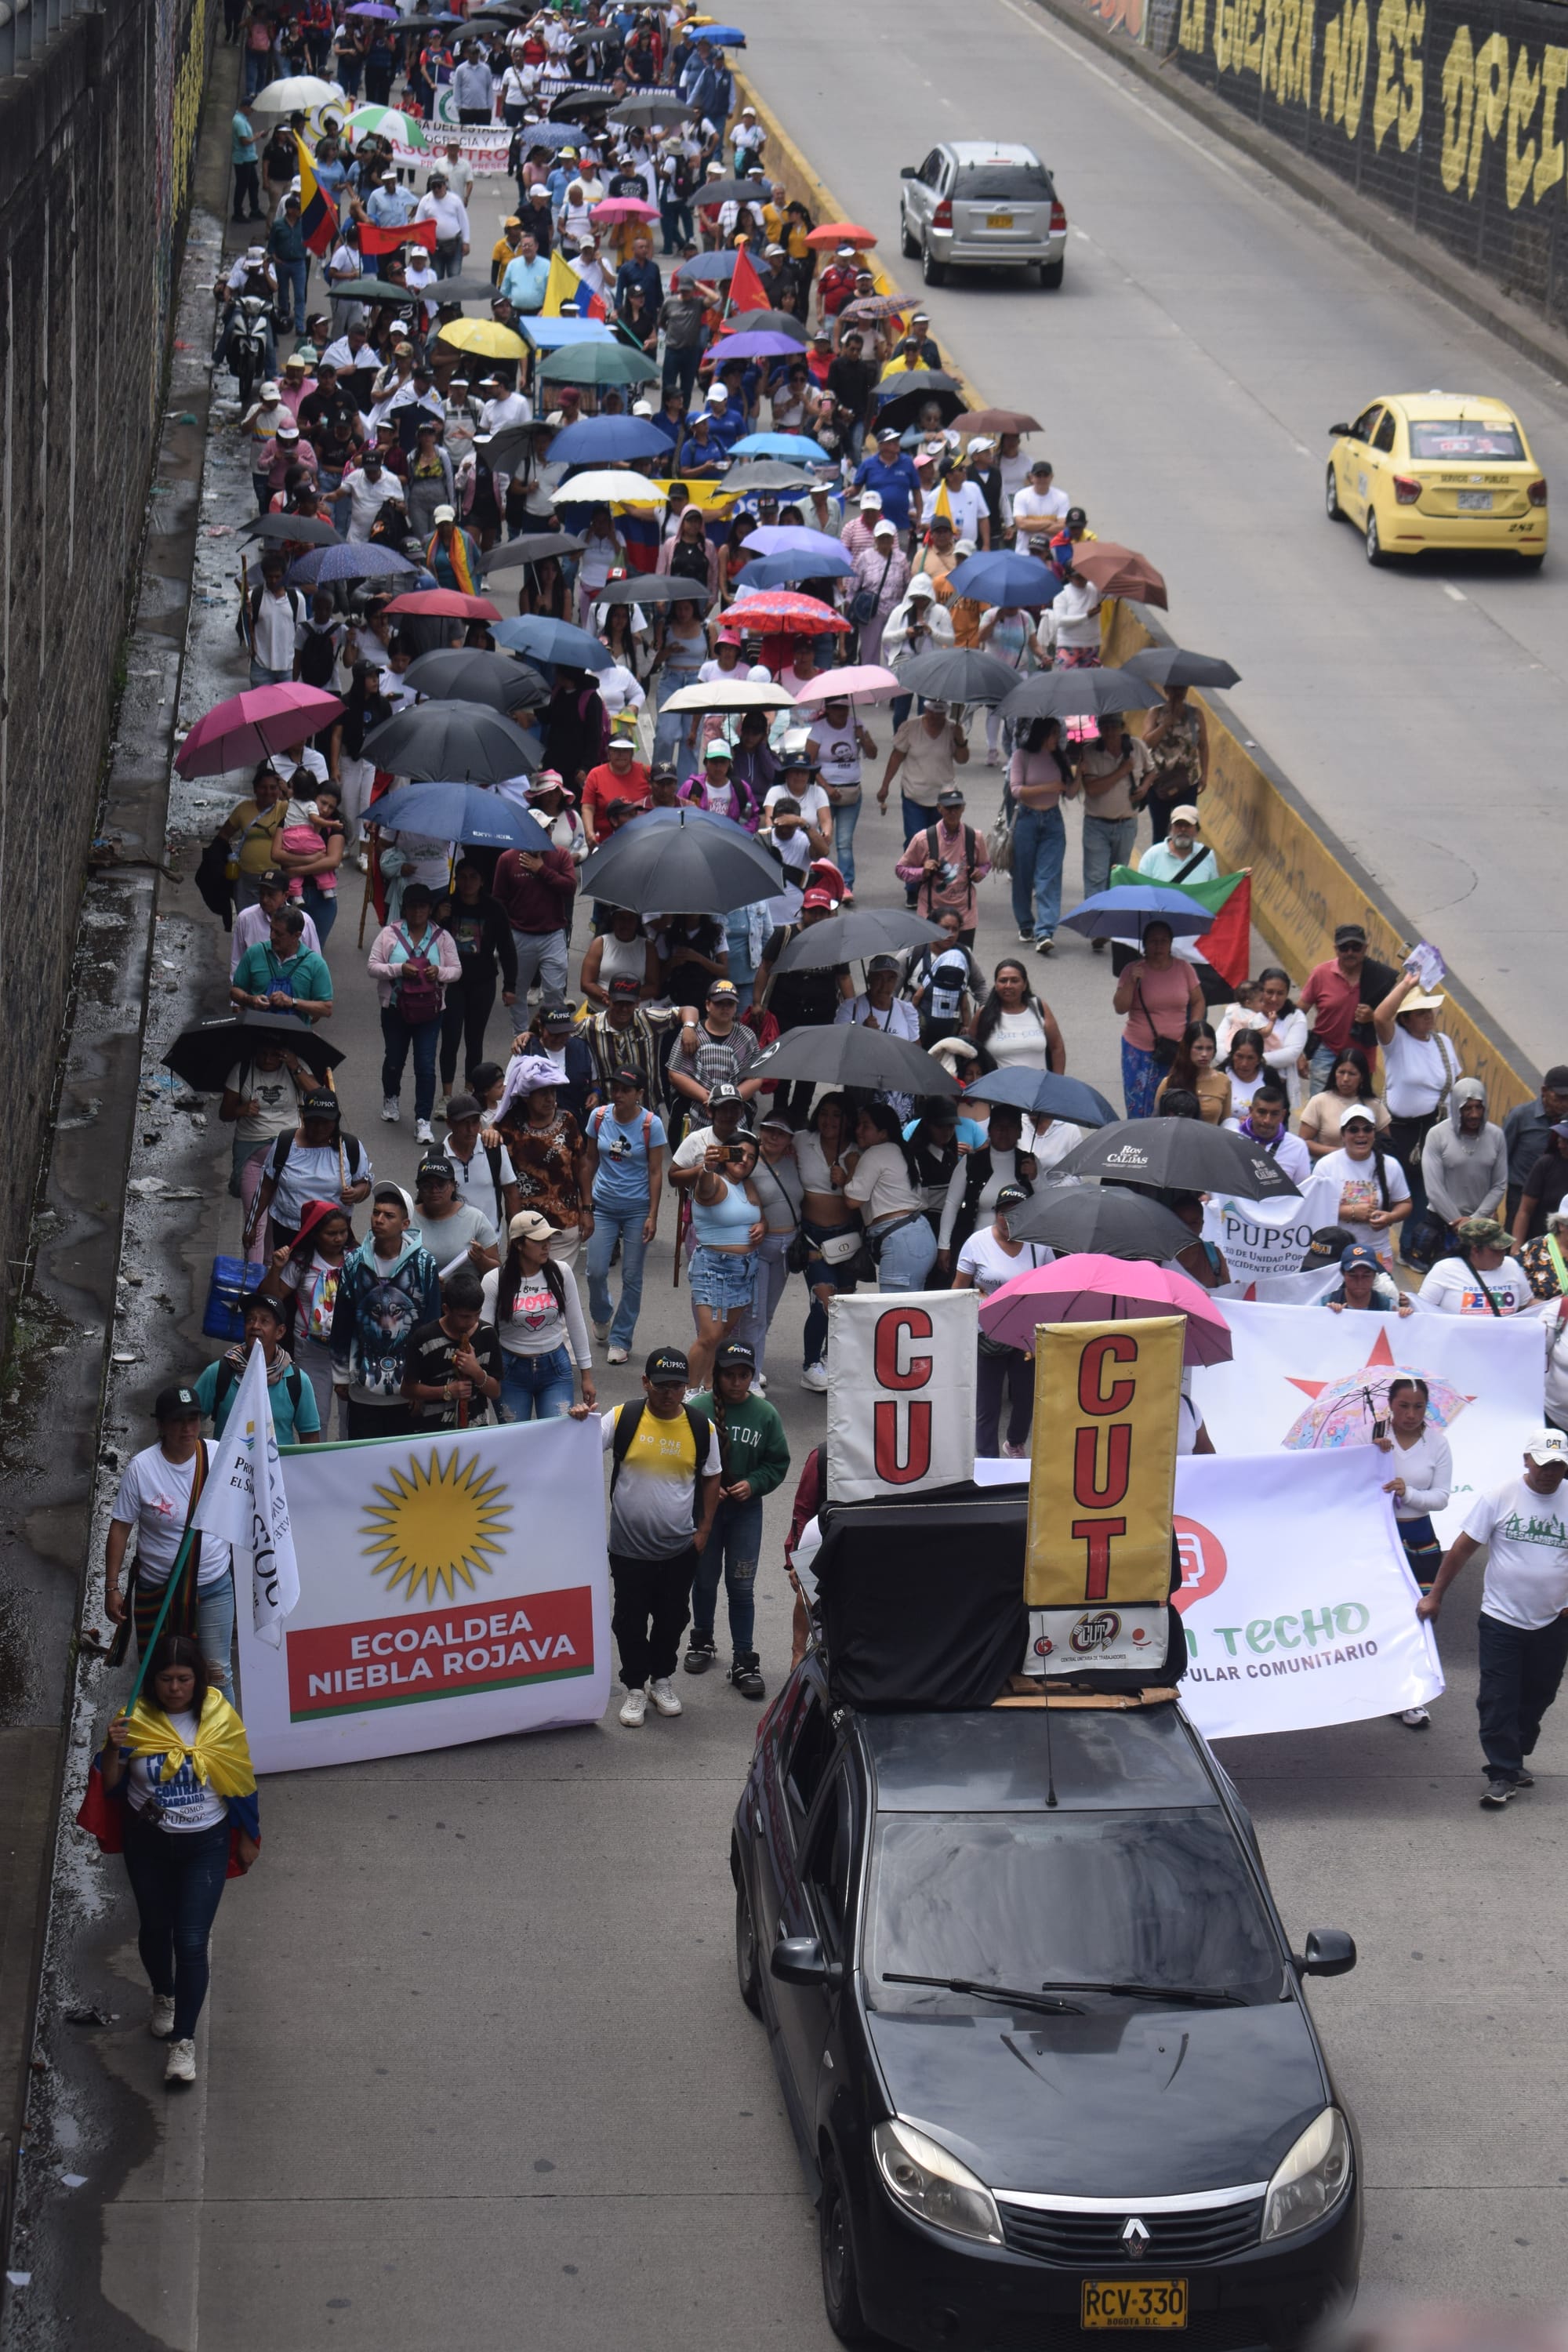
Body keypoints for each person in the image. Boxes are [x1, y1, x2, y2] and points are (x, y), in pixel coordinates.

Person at [91, 1635, 260, 2086]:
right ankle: (163, 1995)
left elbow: (240, 1777)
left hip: (205, 1843)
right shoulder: (133, 1721)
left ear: (198, 1679)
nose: (175, 1688)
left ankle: (182, 2042)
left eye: (184, 1679)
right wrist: (111, 1749)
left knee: (189, 1941)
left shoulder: (220, 1717)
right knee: (155, 1928)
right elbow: (111, 1786)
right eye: (166, 1679)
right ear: (153, 1682)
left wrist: (250, 1835)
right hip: (149, 1843)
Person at [1417, 1428, 1568, 1806]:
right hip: (1501, 1617)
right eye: (1544, 1463)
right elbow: (1462, 1550)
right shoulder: (1500, 1496)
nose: (1551, 1472)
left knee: (1538, 1696)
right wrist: (1435, 1595)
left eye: (1560, 1465)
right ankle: (1501, 1773)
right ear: (1527, 1460)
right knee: (1498, 1698)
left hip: (1553, 1621)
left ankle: (1515, 1755)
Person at [602, 1350, 721, 1730]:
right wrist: (577, 1418)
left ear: (686, 1388)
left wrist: (703, 1531)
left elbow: (712, 1476)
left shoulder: (702, 1428)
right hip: (628, 1549)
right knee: (629, 1621)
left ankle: (662, 1681)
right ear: (645, 1383)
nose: (668, 1393)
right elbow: (576, 1444)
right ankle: (635, 1686)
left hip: (678, 1549)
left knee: (672, 1619)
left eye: (676, 1386)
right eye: (660, 1385)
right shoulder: (623, 1418)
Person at [104, 1388, 236, 1704]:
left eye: (194, 1420)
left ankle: (224, 1749)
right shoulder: (142, 1468)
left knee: (217, 1674)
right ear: (161, 1426)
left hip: (213, 1586)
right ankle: (163, 1749)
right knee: (161, 1676)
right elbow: (121, 1527)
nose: (188, 1429)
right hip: (158, 1589)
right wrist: (111, 1587)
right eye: (178, 1421)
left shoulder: (220, 1456)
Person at [683, 1340, 789, 1698]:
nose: (737, 1382)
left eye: (744, 1375)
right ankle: (702, 1638)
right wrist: (707, 1487)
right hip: (706, 1514)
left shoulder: (765, 1415)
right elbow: (682, 1462)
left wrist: (754, 1484)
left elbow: (778, 1462)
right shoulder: (697, 1410)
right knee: (705, 1578)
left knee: (742, 1586)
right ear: (717, 1375)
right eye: (730, 1375)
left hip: (746, 1513)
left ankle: (744, 1657)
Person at [329, 1185, 441, 1439]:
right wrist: (340, 1375)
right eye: (376, 1213)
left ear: (405, 1224)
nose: (379, 1220)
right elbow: (343, 1320)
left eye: (389, 1216)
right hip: (362, 1390)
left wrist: (424, 1386)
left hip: (408, 1390)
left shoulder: (424, 1264)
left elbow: (431, 1325)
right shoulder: (354, 1262)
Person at [951, 1181, 1051, 1458]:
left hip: (1025, 1334)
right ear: (995, 1214)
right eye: (1003, 1213)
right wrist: (953, 1325)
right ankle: (987, 1458)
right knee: (987, 1403)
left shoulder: (1039, 1244)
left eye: (1016, 1213)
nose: (1008, 1219)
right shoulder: (976, 1242)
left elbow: (1050, 1285)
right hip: (987, 1331)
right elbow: (959, 1286)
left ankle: (1015, 1442)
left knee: (1025, 1398)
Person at [478, 1210, 596, 1423]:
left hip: (555, 1368)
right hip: (510, 1371)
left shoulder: (562, 1272)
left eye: (548, 1239)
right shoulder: (494, 1280)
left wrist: (586, 1375)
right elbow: (483, 1336)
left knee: (556, 1435)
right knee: (516, 1441)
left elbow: (576, 1323)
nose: (547, 1245)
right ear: (519, 1244)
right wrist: (484, 1379)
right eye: (538, 1240)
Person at [583, 1068, 666, 1364]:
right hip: (603, 1206)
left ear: (639, 1094)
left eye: (625, 1090)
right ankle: (602, 1314)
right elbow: (590, 1159)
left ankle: (621, 1338)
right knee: (595, 1271)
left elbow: (656, 1171)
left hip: (637, 1209)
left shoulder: (650, 1124)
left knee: (632, 1276)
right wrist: (586, 1207)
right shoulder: (599, 1117)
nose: (617, 1094)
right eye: (615, 1088)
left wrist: (653, 1215)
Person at [1374, 1381, 1453, 1675]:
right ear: (1391, 1404)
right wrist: (1370, 1456)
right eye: (1403, 1406)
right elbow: (1349, 1481)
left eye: (1418, 1407)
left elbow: (1441, 1498)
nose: (1410, 1414)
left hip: (1420, 1536)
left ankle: (1417, 1678)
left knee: (1421, 1609)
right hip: (1381, 1534)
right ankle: (1389, 1675)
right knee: (1385, 1609)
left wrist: (1408, 1494)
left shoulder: (1437, 1443)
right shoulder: (1370, 1436)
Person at [432, 860, 518, 1107]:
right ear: (456, 879)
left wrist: (510, 985)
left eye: (473, 876)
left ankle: (470, 1091)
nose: (467, 882)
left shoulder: (494, 909)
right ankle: (447, 1094)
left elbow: (507, 948)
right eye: (462, 877)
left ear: (481, 881)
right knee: (449, 1037)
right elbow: (429, 942)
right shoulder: (446, 905)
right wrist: (439, 919)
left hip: (483, 982)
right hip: (452, 983)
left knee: (474, 1038)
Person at [265, 1198, 352, 1436]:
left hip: (351, 1350)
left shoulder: (357, 1258)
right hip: (311, 1351)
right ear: (314, 1234)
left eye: (343, 1232)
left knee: (352, 1417)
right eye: (331, 1233)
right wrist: (277, 1268)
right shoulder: (300, 1264)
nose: (338, 1239)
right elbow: (272, 1299)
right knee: (315, 1417)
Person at [249, 1090, 372, 1256]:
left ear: (336, 1121)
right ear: (303, 1117)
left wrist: (356, 1193)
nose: (319, 1128)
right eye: (313, 1121)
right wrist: (252, 1225)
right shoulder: (285, 1143)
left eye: (326, 1122)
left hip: (334, 1239)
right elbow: (265, 1187)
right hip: (289, 1235)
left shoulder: (350, 1147)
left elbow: (364, 1184)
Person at [688, 1127, 764, 1396]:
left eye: (751, 1157)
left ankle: (709, 1387)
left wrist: (762, 1225)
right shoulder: (716, 1182)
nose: (744, 1160)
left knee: (722, 1335)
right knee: (709, 1336)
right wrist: (706, 1169)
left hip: (744, 1270)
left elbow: (753, 1216)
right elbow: (705, 1187)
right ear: (724, 1154)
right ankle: (685, 1392)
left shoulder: (748, 1185)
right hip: (713, 1267)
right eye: (738, 1153)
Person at [495, 1062, 591, 1267]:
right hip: (526, 1229)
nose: (550, 1099)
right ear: (526, 1096)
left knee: (555, 1288)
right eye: (543, 1093)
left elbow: (582, 1166)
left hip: (564, 1224)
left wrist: (588, 1210)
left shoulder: (568, 1121)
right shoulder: (507, 1126)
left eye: (553, 1092)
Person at [192, 1292, 321, 1444]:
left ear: (280, 1332)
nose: (255, 1326)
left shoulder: (297, 1381)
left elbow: (310, 1439)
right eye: (250, 1319)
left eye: (264, 1321)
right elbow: (188, 1422)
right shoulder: (220, 1372)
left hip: (278, 1467)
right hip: (229, 1468)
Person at [877, 699, 967, 903]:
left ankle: (937, 885)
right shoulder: (910, 728)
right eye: (932, 714)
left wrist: (960, 740)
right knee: (914, 840)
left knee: (943, 844)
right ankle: (913, 886)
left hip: (944, 798)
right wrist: (885, 786)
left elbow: (963, 759)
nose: (936, 719)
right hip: (914, 795)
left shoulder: (952, 729)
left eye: (940, 715)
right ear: (925, 711)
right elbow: (896, 756)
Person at [1114, 920, 1206, 1118]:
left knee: (1174, 1102)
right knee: (1139, 1106)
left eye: (1163, 941)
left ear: (1171, 943)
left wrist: (1193, 1034)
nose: (1159, 946)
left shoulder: (1184, 969)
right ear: (1145, 944)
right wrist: (1132, 981)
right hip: (1138, 1051)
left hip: (1177, 1050)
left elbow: (1198, 1002)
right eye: (1153, 941)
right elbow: (1120, 1008)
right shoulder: (1132, 970)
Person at [843, 1103, 937, 1291]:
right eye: (859, 1124)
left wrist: (852, 1166)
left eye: (866, 1126)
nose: (858, 1130)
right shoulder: (902, 1151)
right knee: (911, 1309)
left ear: (883, 1133)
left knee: (895, 1311)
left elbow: (853, 1201)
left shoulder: (875, 1153)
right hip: (919, 1234)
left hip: (900, 1239)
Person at [1300, 922, 1399, 1093]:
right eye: (1344, 948)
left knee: (1358, 1112)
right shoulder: (1320, 973)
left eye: (1356, 947)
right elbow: (1298, 1014)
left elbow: (1395, 1020)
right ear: (1335, 949)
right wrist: (1297, 1053)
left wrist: (1373, 1017)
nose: (1350, 953)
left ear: (1366, 948)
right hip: (1326, 1052)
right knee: (1321, 1108)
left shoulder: (1379, 977)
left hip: (1362, 1055)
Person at [400, 1268, 504, 1430]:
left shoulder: (488, 1334)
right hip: (433, 1431)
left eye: (477, 1314)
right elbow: (407, 1389)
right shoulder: (423, 1337)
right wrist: (447, 1391)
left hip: (477, 1429)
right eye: (464, 1316)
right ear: (446, 1309)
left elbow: (495, 1392)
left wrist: (476, 1372)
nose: (472, 1321)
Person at [938, 1102, 1037, 1267]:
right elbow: (951, 1204)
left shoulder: (1030, 1163)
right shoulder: (970, 1162)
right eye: (999, 1126)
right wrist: (944, 1245)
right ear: (989, 1130)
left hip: (1019, 1250)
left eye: (1010, 1126)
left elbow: (1045, 1203)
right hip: (977, 1249)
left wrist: (1035, 1178)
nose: (1004, 1132)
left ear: (1020, 1132)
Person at [1315, 1105, 1410, 1269]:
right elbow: (1314, 1208)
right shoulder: (1326, 1165)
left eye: (1367, 1129)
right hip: (1335, 1255)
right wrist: (1350, 1212)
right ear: (1343, 1135)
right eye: (1353, 1130)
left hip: (1376, 1254)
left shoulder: (1391, 1165)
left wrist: (1391, 1217)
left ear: (1374, 1134)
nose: (1361, 1135)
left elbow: (1405, 1203)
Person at [1005, 715, 1071, 954]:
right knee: (1023, 876)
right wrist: (1048, 788)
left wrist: (1080, 772)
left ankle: (1045, 931)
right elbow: (1016, 790)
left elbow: (1070, 793)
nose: (1059, 738)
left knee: (1048, 878)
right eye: (1055, 734)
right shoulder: (1022, 756)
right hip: (1027, 819)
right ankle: (1025, 923)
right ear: (1043, 735)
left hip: (1053, 822)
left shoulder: (1060, 757)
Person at [492, 822, 577, 1004]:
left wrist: (542, 870)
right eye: (538, 830)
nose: (545, 834)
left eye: (548, 829)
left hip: (553, 933)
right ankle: (521, 1032)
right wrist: (503, 935)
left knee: (555, 989)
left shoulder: (561, 855)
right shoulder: (507, 859)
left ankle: (554, 1030)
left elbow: (570, 888)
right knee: (518, 991)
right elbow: (499, 899)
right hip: (520, 934)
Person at [895, 785, 991, 940]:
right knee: (932, 961)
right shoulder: (923, 839)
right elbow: (901, 869)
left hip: (964, 917)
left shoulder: (974, 837)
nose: (953, 812)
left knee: (961, 960)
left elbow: (986, 863)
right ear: (940, 809)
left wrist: (980, 873)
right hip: (932, 914)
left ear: (963, 808)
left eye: (957, 807)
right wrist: (922, 872)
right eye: (948, 808)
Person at [1078, 710, 1151, 904]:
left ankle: (1114, 924)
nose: (1110, 732)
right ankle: (1097, 927)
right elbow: (1092, 789)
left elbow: (1152, 772)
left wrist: (1144, 788)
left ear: (1122, 728)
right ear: (1100, 730)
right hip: (1097, 825)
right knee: (1096, 877)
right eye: (1105, 728)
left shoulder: (1137, 747)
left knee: (1118, 877)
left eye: (1114, 727)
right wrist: (1122, 771)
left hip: (1126, 824)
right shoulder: (1090, 753)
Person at [230, 902, 334, 1028]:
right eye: (271, 930)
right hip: (257, 1037)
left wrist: (292, 1002)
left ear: (297, 936)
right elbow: (235, 992)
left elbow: (326, 1009)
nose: (272, 936)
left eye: (279, 934)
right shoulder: (254, 953)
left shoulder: (315, 963)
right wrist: (250, 999)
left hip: (294, 1041)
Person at [971, 957, 1065, 1080]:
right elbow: (971, 1052)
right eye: (1003, 981)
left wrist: (1058, 1082)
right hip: (998, 1093)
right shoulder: (984, 1014)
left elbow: (1057, 1047)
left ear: (1025, 985)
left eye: (1015, 981)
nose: (1008, 986)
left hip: (1038, 1091)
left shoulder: (1039, 1007)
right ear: (996, 984)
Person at [1417, 1218, 1534, 1316]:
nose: (1503, 1252)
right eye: (1496, 1249)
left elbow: (1527, 1304)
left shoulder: (1511, 1265)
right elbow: (1421, 1308)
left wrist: (1550, 1306)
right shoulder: (1444, 1270)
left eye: (1504, 1247)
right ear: (1475, 1250)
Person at [413, 1152, 499, 1278]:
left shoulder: (476, 1219)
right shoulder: (406, 1219)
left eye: (441, 1185)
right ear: (419, 1188)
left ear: (453, 1186)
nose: (434, 1191)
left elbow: (496, 1272)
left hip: (464, 1295)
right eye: (427, 1186)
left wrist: (481, 1259)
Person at [1141, 684, 1209, 841]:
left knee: (1186, 828)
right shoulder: (1156, 712)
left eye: (1181, 689)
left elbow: (1203, 745)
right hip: (1159, 782)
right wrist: (1165, 725)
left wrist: (1205, 774)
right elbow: (1147, 743)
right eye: (1173, 689)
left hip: (1187, 781)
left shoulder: (1196, 714)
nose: (1177, 694)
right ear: (1166, 691)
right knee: (1160, 831)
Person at [1502, 1066, 1568, 1227]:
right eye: (1560, 1097)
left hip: (1554, 1198)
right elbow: (1502, 1156)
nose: (1565, 1103)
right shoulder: (1521, 1116)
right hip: (1520, 1195)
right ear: (1544, 1091)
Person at [1298, 1045, 1391, 1160]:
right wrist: (1341, 1153)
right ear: (1334, 1073)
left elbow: (1387, 1144)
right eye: (1341, 1072)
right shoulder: (1319, 1102)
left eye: (1352, 1074)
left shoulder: (1375, 1105)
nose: (1345, 1079)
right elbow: (1303, 1142)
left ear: (1362, 1077)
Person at [1226, 1083, 1312, 1186]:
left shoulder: (1298, 1147)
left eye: (1275, 1114)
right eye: (1262, 1112)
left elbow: (1304, 1190)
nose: (1267, 1120)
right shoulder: (1231, 1141)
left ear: (1283, 1115)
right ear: (1251, 1111)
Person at [581, 909, 659, 1007]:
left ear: (637, 922)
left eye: (630, 919)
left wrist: (625, 998)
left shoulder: (648, 947)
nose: (625, 924)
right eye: (621, 918)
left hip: (637, 1014)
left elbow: (653, 987)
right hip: (600, 1012)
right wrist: (610, 998)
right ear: (613, 920)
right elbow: (586, 983)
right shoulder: (600, 943)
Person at [1158, 1020, 1229, 1125]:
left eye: (1209, 1048)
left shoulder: (1223, 1081)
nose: (1204, 1054)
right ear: (1187, 1049)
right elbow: (1157, 1120)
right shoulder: (1169, 1082)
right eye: (1199, 1048)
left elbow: (1227, 1121)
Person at [1323, 1241, 1414, 1315]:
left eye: (1366, 1276)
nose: (1360, 1281)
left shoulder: (1387, 1306)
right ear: (1343, 1274)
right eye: (1353, 1275)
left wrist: (1403, 1318)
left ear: (1375, 1276)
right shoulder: (1326, 1304)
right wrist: (1327, 1315)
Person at [1515, 1120, 1568, 1247]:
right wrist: (1516, 1248)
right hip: (1540, 1245)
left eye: (1566, 1140)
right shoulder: (1546, 1164)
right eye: (1560, 1138)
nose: (1561, 1144)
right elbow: (1525, 1210)